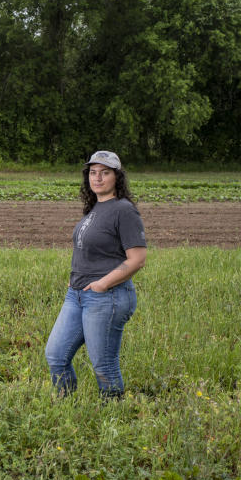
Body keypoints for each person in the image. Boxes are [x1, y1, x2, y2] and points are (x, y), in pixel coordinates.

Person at [44, 150, 146, 398]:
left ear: (117, 177)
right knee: (56, 355)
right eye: (92, 172)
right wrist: (75, 279)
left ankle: (113, 418)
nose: (97, 178)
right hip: (77, 295)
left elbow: (138, 258)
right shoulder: (95, 209)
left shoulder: (123, 210)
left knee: (104, 365)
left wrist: (102, 284)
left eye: (105, 173)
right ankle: (67, 407)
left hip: (107, 297)